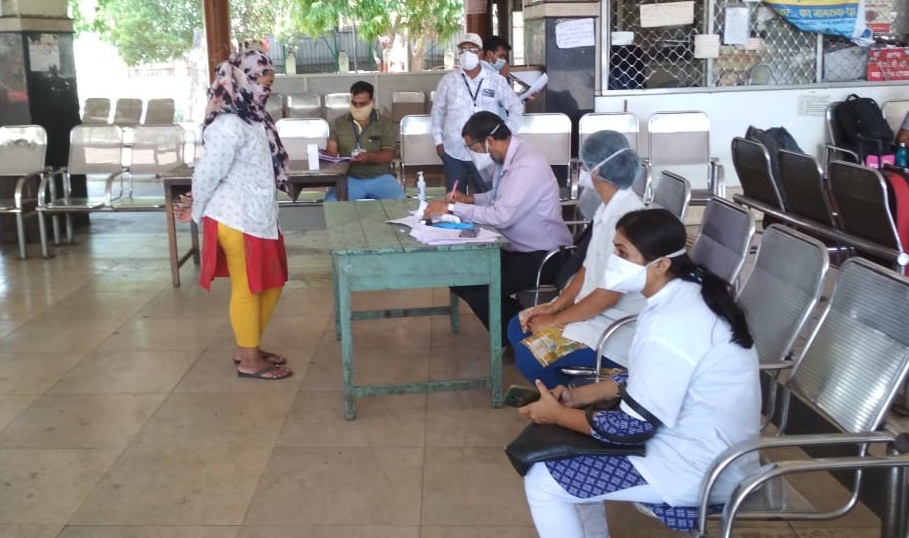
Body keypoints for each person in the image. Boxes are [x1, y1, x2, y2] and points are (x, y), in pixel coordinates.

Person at [518, 208, 761, 538]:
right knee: (563, 465)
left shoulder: (671, 324)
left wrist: (558, 415)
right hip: (699, 443)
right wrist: (578, 396)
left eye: (622, 253)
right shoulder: (685, 293)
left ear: (661, 264)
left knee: (544, 481)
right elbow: (646, 379)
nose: (613, 261)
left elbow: (630, 427)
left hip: (701, 465)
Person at [184, 49, 293, 380]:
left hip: (259, 217)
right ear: (243, 80)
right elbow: (206, 173)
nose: (266, 89)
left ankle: (249, 345)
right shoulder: (228, 125)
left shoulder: (255, 118)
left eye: (270, 83)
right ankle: (248, 359)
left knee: (272, 283)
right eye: (262, 82)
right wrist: (197, 210)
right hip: (236, 218)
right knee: (249, 288)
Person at [508, 131, 646, 388]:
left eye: (584, 164)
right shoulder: (607, 208)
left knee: (530, 356)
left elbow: (609, 294)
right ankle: (577, 388)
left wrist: (556, 320)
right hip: (593, 310)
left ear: (594, 170)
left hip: (616, 328)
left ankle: (576, 400)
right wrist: (555, 305)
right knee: (518, 325)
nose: (581, 169)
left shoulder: (630, 221)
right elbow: (587, 267)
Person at [423, 111, 572, 342]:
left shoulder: (526, 165)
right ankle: (518, 330)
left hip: (542, 256)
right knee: (460, 275)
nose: (475, 154)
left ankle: (521, 338)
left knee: (476, 285)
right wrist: (469, 199)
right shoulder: (508, 160)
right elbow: (499, 197)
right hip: (516, 249)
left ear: (489, 141)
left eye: (474, 148)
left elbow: (502, 216)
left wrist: (451, 209)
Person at [431, 33, 523, 194]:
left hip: (486, 151)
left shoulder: (496, 80)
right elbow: (437, 112)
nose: (467, 53)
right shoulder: (448, 81)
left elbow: (516, 106)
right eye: (463, 49)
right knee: (454, 197)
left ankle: (485, 220)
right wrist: (439, 142)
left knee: (488, 194)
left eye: (472, 49)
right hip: (453, 150)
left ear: (481, 53)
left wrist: (505, 135)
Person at [324, 80, 405, 201]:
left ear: (372, 102)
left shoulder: (384, 123)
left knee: (401, 201)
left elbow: (388, 155)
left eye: (362, 104)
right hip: (350, 179)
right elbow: (331, 152)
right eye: (354, 103)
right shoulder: (338, 124)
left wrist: (369, 156)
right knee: (331, 203)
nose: (357, 107)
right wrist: (322, 155)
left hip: (380, 177)